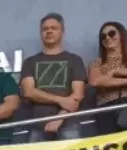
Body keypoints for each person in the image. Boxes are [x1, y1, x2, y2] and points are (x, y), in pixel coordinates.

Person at [19, 13, 87, 142]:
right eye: (45, 29)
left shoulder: (74, 60)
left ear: (62, 31)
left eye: (53, 28)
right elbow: (29, 92)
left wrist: (59, 118)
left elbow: (78, 94)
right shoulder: (29, 62)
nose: (49, 31)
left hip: (68, 124)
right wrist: (61, 100)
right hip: (37, 125)